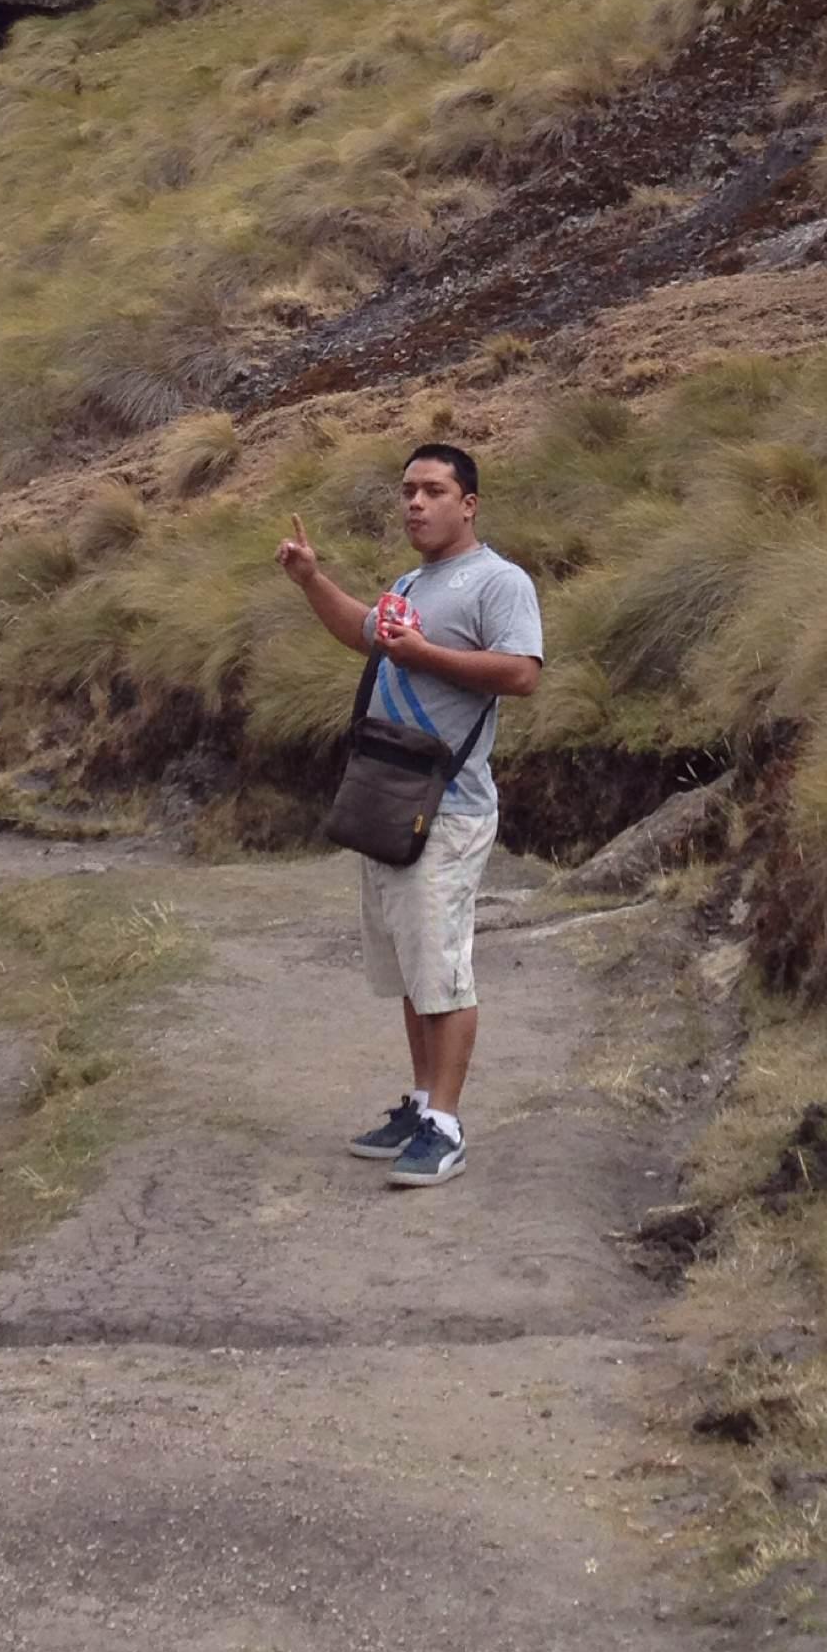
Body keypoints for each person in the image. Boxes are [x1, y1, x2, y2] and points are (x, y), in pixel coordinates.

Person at [276, 441, 542, 1190]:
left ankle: (447, 1127)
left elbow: (522, 672)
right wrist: (311, 581)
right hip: (390, 797)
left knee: (444, 969)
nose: (414, 504)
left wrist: (422, 654)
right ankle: (423, 1103)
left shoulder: (499, 581)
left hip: (447, 806)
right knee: (408, 969)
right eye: (406, 492)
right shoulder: (409, 582)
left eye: (432, 490)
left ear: (470, 504)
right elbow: (365, 633)